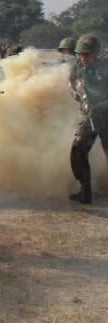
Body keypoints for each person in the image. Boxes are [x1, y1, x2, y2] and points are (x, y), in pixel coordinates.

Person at [67, 34, 108, 204]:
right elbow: (70, 82)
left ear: (96, 54)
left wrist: (99, 105)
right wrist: (78, 95)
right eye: (80, 55)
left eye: (87, 55)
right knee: (78, 149)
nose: (83, 58)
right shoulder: (77, 66)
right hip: (90, 115)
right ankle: (85, 191)